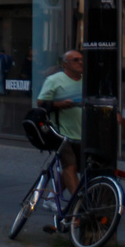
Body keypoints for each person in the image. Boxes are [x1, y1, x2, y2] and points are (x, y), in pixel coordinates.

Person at [38, 50, 86, 196]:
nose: (80, 62)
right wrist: (60, 104)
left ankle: (53, 197)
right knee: (70, 167)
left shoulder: (86, 80)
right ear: (66, 64)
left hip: (81, 132)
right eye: (75, 60)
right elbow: (40, 103)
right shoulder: (54, 80)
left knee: (75, 168)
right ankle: (77, 205)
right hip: (61, 132)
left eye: (81, 59)